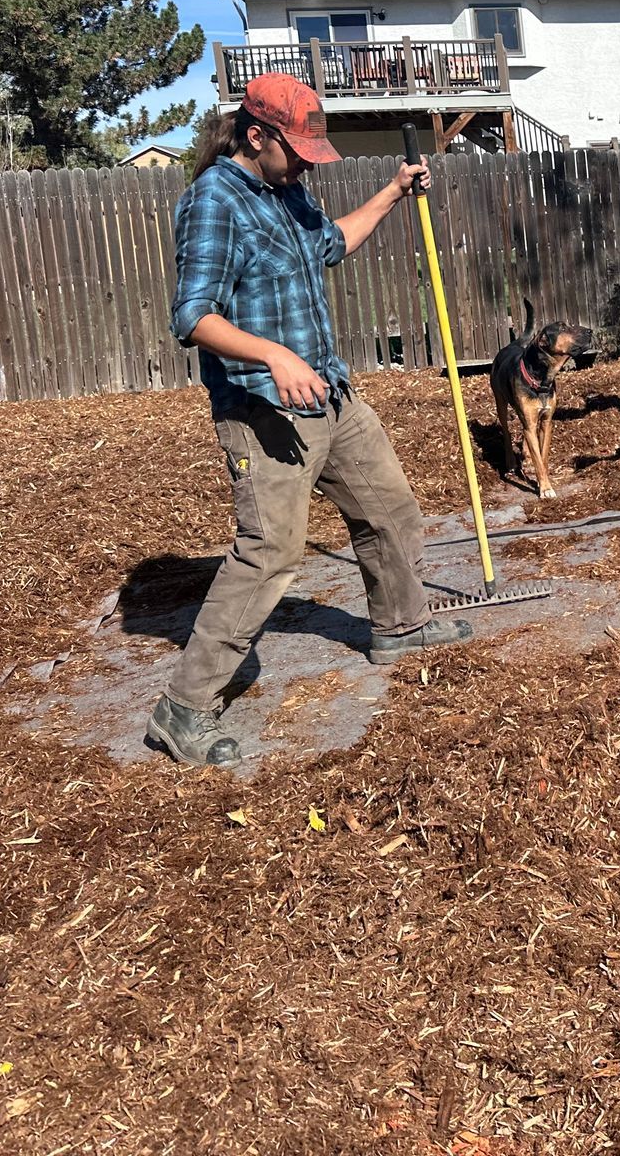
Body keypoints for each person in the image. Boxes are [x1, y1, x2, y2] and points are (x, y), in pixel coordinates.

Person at [146, 73, 473, 768]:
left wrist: (390, 193)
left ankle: (400, 625)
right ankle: (183, 708)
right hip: (262, 410)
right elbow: (192, 316)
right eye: (294, 150)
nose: (303, 163)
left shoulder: (288, 187)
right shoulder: (214, 201)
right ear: (256, 135)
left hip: (329, 393)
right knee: (269, 554)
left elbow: (329, 245)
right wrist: (273, 356)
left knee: (389, 506)